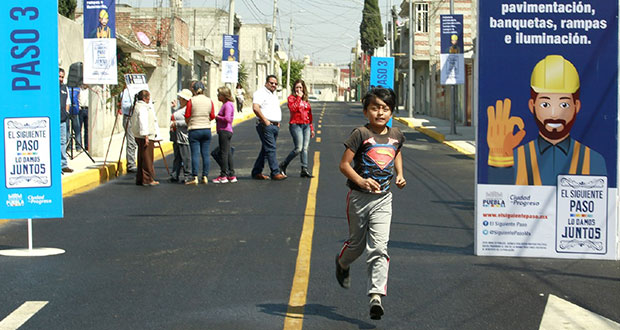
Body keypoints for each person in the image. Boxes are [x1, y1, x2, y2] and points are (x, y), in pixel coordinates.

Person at [334, 87, 406, 320]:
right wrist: (361, 181)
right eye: (375, 108)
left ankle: (376, 295)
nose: (380, 113)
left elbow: (396, 152)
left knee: (378, 247)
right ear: (366, 111)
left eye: (385, 109)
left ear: (391, 112)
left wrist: (400, 175)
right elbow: (344, 165)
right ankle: (342, 263)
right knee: (356, 245)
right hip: (359, 198)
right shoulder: (360, 134)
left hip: (383, 199)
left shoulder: (396, 134)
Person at [487, 55, 607, 185]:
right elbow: (498, 198)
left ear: (576, 106)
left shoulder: (594, 160)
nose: (554, 114)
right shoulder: (513, 157)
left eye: (563, 105)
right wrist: (499, 160)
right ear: (532, 106)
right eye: (545, 104)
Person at [251, 75, 287, 180]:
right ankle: (275, 172)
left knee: (266, 150)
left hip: (274, 125)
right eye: (271, 83)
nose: (274, 85)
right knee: (271, 149)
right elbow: (255, 108)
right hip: (265, 125)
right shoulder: (260, 93)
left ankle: (257, 171)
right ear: (266, 83)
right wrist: (265, 121)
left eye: (275, 84)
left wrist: (277, 122)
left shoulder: (273, 95)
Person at [279, 79, 315, 178]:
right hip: (296, 125)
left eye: (300, 87)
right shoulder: (291, 98)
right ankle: (284, 164)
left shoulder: (306, 100)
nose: (298, 89)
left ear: (303, 88)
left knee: (305, 148)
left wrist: (311, 128)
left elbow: (309, 114)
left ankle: (304, 169)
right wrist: (298, 98)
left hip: (306, 125)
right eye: (296, 88)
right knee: (298, 148)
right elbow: (293, 109)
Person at [184, 81, 215, 185]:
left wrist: (189, 123)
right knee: (205, 154)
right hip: (206, 129)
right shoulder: (209, 101)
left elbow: (187, 115)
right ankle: (205, 176)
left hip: (194, 129)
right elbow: (212, 116)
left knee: (195, 154)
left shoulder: (191, 101)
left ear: (194, 90)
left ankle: (195, 176)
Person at [130, 90, 159, 186]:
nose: (149, 99)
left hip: (139, 135)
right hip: (145, 135)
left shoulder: (138, 106)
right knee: (147, 158)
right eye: (148, 97)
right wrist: (145, 135)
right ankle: (147, 179)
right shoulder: (142, 107)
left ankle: (140, 178)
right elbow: (143, 121)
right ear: (144, 98)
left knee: (141, 157)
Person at [211, 86, 237, 183]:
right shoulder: (227, 104)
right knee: (228, 153)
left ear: (224, 95)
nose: (218, 96)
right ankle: (231, 174)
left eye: (219, 94)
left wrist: (217, 117)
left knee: (224, 153)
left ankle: (223, 175)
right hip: (226, 131)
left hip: (224, 131)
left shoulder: (227, 105)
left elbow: (228, 119)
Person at [169, 89, 193, 183]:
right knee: (177, 156)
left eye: (181, 98)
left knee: (185, 156)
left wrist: (176, 124)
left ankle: (188, 175)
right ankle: (175, 174)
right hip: (176, 135)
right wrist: (174, 109)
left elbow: (188, 122)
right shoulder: (180, 108)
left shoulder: (187, 109)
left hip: (183, 136)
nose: (179, 99)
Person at [59, 68, 73, 173]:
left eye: (62, 77)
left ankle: (63, 164)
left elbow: (68, 101)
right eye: (59, 76)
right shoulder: (51, 88)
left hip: (62, 120)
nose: (61, 79)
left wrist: (66, 112)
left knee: (63, 141)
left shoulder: (65, 88)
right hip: (53, 120)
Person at [121, 88, 138, 173]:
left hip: (137, 117)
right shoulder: (127, 91)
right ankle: (131, 164)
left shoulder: (140, 89)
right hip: (129, 116)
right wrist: (134, 104)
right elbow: (125, 105)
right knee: (131, 141)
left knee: (137, 141)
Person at [78, 84, 89, 150]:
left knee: (87, 129)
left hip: (88, 109)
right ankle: (79, 145)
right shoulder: (79, 90)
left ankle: (86, 145)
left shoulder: (89, 91)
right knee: (79, 128)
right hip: (80, 110)